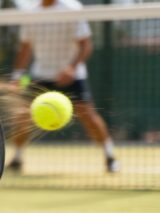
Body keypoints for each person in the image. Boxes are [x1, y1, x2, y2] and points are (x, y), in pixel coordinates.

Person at [8, 0, 119, 173]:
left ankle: (110, 156)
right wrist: (17, 77)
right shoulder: (30, 12)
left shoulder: (72, 8)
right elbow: (25, 48)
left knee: (88, 115)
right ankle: (17, 158)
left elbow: (86, 45)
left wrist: (71, 69)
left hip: (72, 75)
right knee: (23, 116)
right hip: (41, 75)